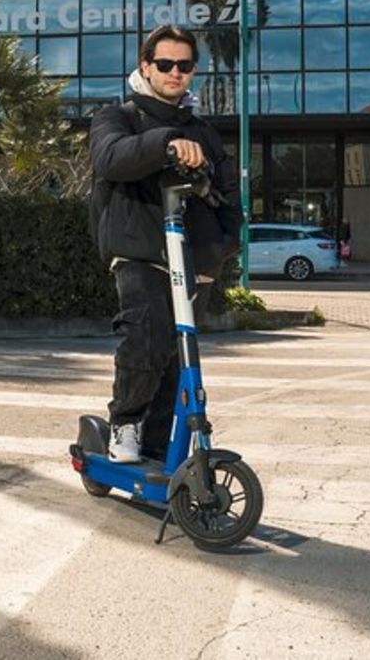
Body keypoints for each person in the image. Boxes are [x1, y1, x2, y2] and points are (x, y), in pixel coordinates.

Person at [88, 25, 240, 464]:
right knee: (146, 337)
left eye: (185, 66)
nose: (175, 73)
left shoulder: (205, 131)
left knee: (178, 359)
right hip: (139, 249)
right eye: (165, 64)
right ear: (145, 66)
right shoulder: (117, 117)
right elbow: (110, 158)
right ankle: (125, 426)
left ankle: (155, 446)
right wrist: (167, 144)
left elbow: (228, 193)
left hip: (194, 258)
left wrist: (224, 244)